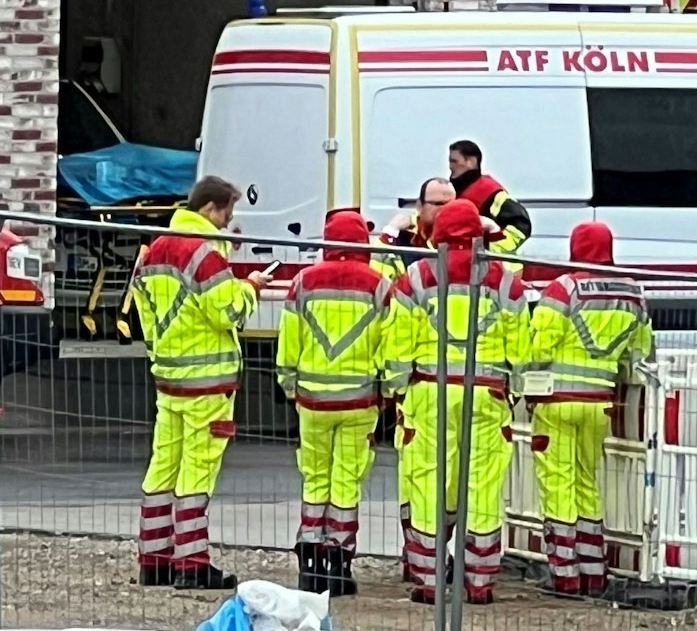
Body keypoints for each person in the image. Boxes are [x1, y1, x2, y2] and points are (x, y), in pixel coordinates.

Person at [382, 199, 529, 605]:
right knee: (481, 487)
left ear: (437, 234)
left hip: (429, 392)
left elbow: (397, 346)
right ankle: (478, 582)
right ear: (480, 235)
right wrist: (514, 389)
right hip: (486, 394)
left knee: (428, 482)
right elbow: (522, 350)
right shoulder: (506, 282)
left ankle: (430, 581)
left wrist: (395, 388)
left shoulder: (415, 278)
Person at [132, 176, 269, 590]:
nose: (229, 222)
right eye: (228, 213)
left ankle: (154, 560)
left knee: (163, 468)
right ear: (211, 209)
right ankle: (192, 564)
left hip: (169, 376)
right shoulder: (204, 253)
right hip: (208, 383)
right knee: (197, 472)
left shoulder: (155, 247)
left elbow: (144, 309)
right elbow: (226, 311)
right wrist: (251, 288)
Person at [529, 221, 654, 597]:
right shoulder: (634, 292)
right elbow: (640, 353)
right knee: (587, 482)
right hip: (600, 402)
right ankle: (594, 571)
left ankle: (565, 575)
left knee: (557, 484)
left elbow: (539, 347)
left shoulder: (564, 288)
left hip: (557, 401)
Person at [276, 208, 390, 596]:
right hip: (359, 401)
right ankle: (339, 567)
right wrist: (387, 388)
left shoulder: (303, 282)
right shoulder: (379, 285)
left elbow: (288, 342)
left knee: (314, 477)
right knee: (347, 481)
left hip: (312, 400)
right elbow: (387, 346)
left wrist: (290, 385)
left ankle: (309, 564)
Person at [448, 139, 532, 255]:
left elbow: (521, 226)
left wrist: (490, 248)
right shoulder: (449, 191)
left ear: (471, 162)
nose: (450, 166)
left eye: (454, 161)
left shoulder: (491, 193)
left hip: (488, 265)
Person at [380, 176, 457, 255]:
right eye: (438, 204)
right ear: (419, 206)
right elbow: (377, 262)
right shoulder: (401, 235)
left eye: (450, 204)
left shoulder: (461, 235)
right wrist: (390, 231)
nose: (445, 209)